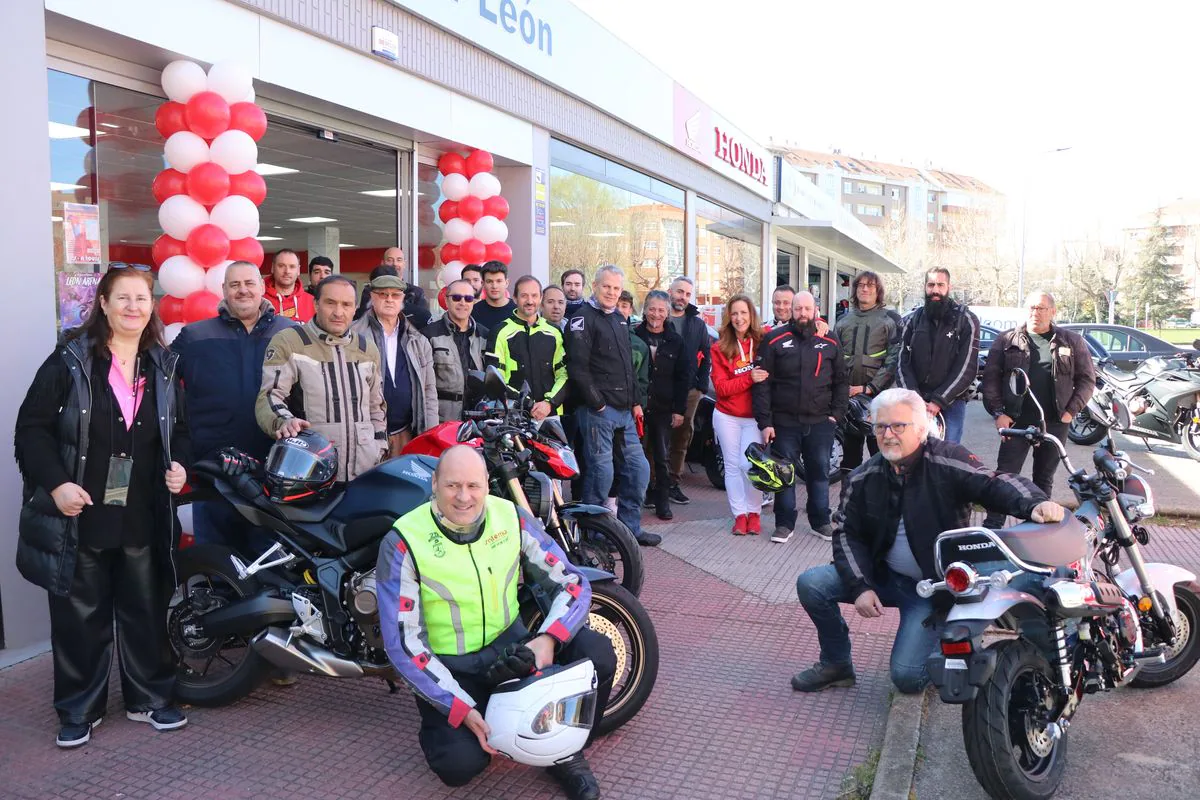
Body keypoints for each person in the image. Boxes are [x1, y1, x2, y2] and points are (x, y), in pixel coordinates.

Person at [15, 264, 191, 747]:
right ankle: (79, 708)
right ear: (103, 304)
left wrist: (181, 468)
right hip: (82, 510)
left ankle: (150, 698)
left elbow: (181, 432)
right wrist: (56, 486)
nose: (134, 307)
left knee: (146, 609)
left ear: (152, 307)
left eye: (142, 298)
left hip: (142, 511)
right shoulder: (68, 362)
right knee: (79, 617)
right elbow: (30, 431)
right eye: (124, 298)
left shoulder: (163, 363)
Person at [375, 445, 614, 800]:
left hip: (513, 653)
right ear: (435, 483)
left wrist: (548, 638)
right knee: (458, 765)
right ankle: (461, 722)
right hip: (455, 671)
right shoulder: (403, 541)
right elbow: (401, 643)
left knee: (598, 651)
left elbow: (572, 582)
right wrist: (458, 707)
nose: (463, 497)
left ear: (487, 485)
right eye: (452, 485)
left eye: (473, 485)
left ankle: (565, 750)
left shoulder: (511, 517)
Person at [790, 388, 1065, 694]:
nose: (888, 434)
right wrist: (860, 587)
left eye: (898, 426)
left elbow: (993, 482)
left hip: (933, 589)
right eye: (880, 426)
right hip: (885, 577)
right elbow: (846, 533)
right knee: (812, 583)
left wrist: (1034, 503)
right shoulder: (862, 477)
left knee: (907, 678)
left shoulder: (947, 460)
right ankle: (836, 664)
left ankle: (953, 639)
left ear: (921, 429)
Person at [171, 261, 294, 545]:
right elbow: (158, 384)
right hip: (214, 474)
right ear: (224, 290)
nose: (243, 291)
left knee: (271, 572)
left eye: (249, 283)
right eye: (234, 284)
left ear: (263, 287)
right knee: (216, 570)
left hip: (274, 474)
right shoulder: (194, 336)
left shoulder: (290, 334)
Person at [981, 290, 1096, 528]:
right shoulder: (1007, 340)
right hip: (1016, 422)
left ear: (1053, 312)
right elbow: (990, 379)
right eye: (1032, 307)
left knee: (1043, 478)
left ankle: (1037, 528)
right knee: (1005, 476)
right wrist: (998, 412)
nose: (1036, 312)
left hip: (1054, 422)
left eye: (1041, 308)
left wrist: (1070, 412)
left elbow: (1087, 380)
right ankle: (993, 525)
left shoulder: (1071, 341)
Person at [256, 275, 386, 481]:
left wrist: (379, 447)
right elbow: (270, 396)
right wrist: (284, 421)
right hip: (309, 473)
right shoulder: (290, 341)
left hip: (364, 471)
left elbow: (376, 407)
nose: (338, 312)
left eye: (346, 305)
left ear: (355, 309)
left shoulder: (367, 348)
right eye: (330, 303)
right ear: (316, 304)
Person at [567, 265, 658, 547]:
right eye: (607, 286)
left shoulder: (619, 318)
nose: (611, 292)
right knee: (600, 474)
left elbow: (628, 369)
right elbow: (578, 369)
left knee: (639, 469)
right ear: (594, 286)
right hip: (599, 412)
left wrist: (635, 403)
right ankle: (594, 534)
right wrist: (599, 405)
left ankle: (630, 529)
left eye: (616, 288)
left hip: (625, 413)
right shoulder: (582, 318)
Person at [754, 291, 849, 544]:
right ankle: (784, 524)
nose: (803, 314)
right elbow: (762, 384)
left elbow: (841, 380)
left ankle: (820, 521)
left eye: (807, 309)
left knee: (819, 473)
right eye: (798, 309)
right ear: (792, 311)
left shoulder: (829, 339)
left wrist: (836, 415)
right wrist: (765, 423)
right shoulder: (774, 339)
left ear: (816, 310)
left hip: (821, 422)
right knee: (784, 473)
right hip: (785, 422)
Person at [351, 274, 438, 454]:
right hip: (366, 436)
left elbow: (429, 392)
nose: (389, 299)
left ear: (403, 300)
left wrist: (430, 436)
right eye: (383, 294)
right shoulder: (353, 336)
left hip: (406, 434)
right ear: (372, 298)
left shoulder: (418, 341)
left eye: (395, 295)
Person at [897, 267, 980, 444]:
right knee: (911, 454)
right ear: (925, 287)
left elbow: (967, 367)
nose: (935, 290)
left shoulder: (966, 320)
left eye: (940, 285)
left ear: (949, 287)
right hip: (916, 401)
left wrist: (939, 401)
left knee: (946, 458)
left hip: (951, 403)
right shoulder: (912, 320)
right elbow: (900, 362)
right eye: (931, 284)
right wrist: (915, 398)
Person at [834, 271, 903, 473]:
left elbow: (894, 360)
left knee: (882, 457)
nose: (865, 289)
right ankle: (849, 503)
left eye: (870, 285)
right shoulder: (842, 322)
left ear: (878, 291)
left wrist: (870, 388)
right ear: (855, 290)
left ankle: (883, 504)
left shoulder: (889, 320)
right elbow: (834, 359)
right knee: (849, 460)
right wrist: (842, 389)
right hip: (849, 400)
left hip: (879, 401)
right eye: (861, 285)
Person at [710, 294, 767, 535]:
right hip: (727, 416)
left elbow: (791, 328)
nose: (739, 318)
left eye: (743, 312)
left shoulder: (764, 340)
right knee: (732, 467)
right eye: (734, 313)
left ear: (751, 315)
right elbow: (722, 389)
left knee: (749, 465)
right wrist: (748, 378)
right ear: (728, 317)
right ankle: (740, 516)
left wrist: (818, 322)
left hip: (753, 417)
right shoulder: (719, 347)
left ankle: (755, 512)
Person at [634, 291, 688, 521]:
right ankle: (638, 498)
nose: (656, 314)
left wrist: (679, 409)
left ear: (667, 313)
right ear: (645, 309)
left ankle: (662, 501)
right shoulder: (633, 335)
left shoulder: (676, 340)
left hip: (664, 406)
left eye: (661, 310)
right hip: (637, 405)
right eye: (652, 309)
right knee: (636, 455)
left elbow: (684, 376)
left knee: (662, 456)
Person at [486, 276, 568, 420]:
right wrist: (528, 404)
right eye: (524, 296)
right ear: (515, 298)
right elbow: (495, 379)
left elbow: (564, 374)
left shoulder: (555, 332)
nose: (530, 301)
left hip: (550, 414)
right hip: (513, 415)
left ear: (541, 298)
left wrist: (549, 403)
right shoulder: (499, 331)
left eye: (534, 296)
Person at [664, 276, 708, 507]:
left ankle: (673, 482)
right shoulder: (659, 316)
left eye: (688, 294)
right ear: (670, 291)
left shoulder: (697, 323)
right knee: (656, 436)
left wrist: (701, 386)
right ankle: (654, 484)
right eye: (679, 291)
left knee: (682, 435)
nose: (683, 297)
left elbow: (707, 355)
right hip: (661, 387)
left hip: (690, 389)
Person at [422, 278, 489, 423]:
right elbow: (423, 387)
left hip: (478, 421)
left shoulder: (485, 336)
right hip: (443, 420)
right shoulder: (429, 335)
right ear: (446, 301)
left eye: (469, 298)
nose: (462, 302)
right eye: (456, 297)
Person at [263, 249, 315, 323]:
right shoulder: (260, 300)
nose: (287, 271)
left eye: (292, 266)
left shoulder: (312, 302)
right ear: (272, 268)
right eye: (281, 266)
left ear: (298, 270)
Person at [471, 261, 517, 330]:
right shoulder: (473, 312)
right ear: (483, 284)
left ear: (507, 283)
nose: (494, 286)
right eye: (489, 281)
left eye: (499, 281)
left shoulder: (518, 311)